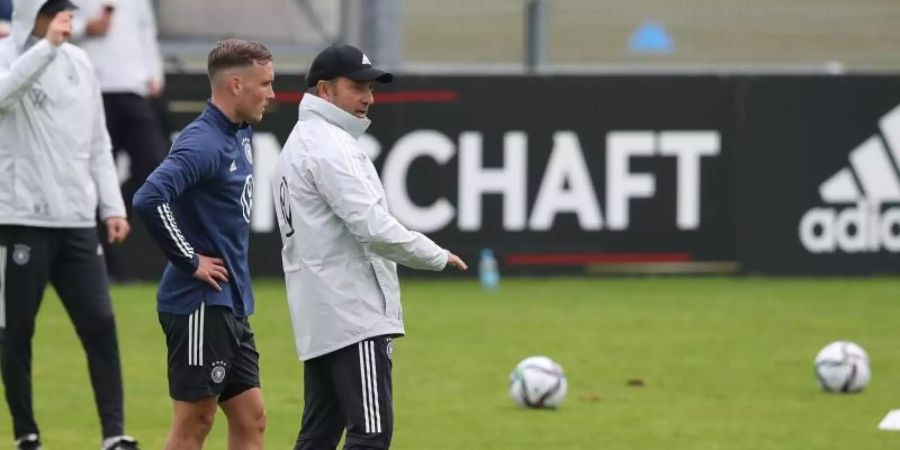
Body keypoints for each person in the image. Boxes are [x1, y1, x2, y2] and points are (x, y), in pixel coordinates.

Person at [272, 44, 469, 450]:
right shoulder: (330, 146)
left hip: (322, 312)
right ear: (325, 90)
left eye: (372, 88)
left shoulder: (305, 140)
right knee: (371, 433)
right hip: (352, 312)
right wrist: (434, 255)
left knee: (319, 435)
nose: (368, 98)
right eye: (358, 86)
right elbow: (373, 227)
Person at [0, 0, 137, 449]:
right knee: (15, 331)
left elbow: (98, 142)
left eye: (66, 9)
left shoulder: (80, 61)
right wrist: (45, 47)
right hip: (19, 217)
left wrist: (111, 207)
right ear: (29, 13)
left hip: (77, 221)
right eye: (53, 9)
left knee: (100, 324)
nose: (64, 17)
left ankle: (114, 434)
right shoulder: (7, 54)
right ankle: (26, 433)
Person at [132, 38, 273, 450]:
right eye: (264, 83)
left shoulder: (239, 131)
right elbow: (148, 197)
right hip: (199, 304)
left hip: (229, 303)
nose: (271, 93)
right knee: (196, 421)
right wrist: (190, 260)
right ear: (235, 85)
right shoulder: (204, 142)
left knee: (253, 418)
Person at [72, 0, 168, 280]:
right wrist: (84, 27)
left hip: (133, 86)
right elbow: (47, 27)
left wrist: (154, 71)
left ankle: (109, 216)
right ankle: (99, 264)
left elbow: (146, 30)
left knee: (154, 168)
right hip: (92, 87)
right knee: (94, 174)